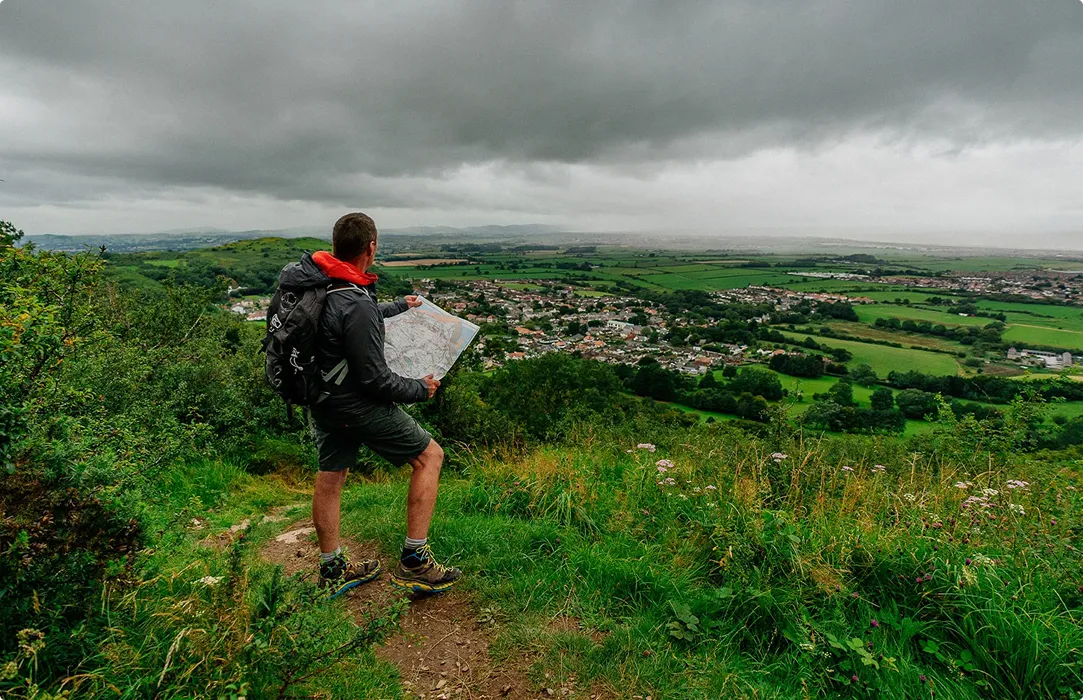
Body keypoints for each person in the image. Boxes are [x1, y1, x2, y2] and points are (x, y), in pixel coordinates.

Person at [294, 212, 461, 597]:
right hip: (355, 404)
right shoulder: (355, 300)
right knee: (430, 456)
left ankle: (332, 567)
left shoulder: (323, 285)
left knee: (331, 474)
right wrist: (420, 388)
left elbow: (352, 318)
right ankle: (414, 562)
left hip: (321, 399)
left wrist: (398, 306)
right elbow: (374, 379)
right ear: (371, 247)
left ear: (336, 246)